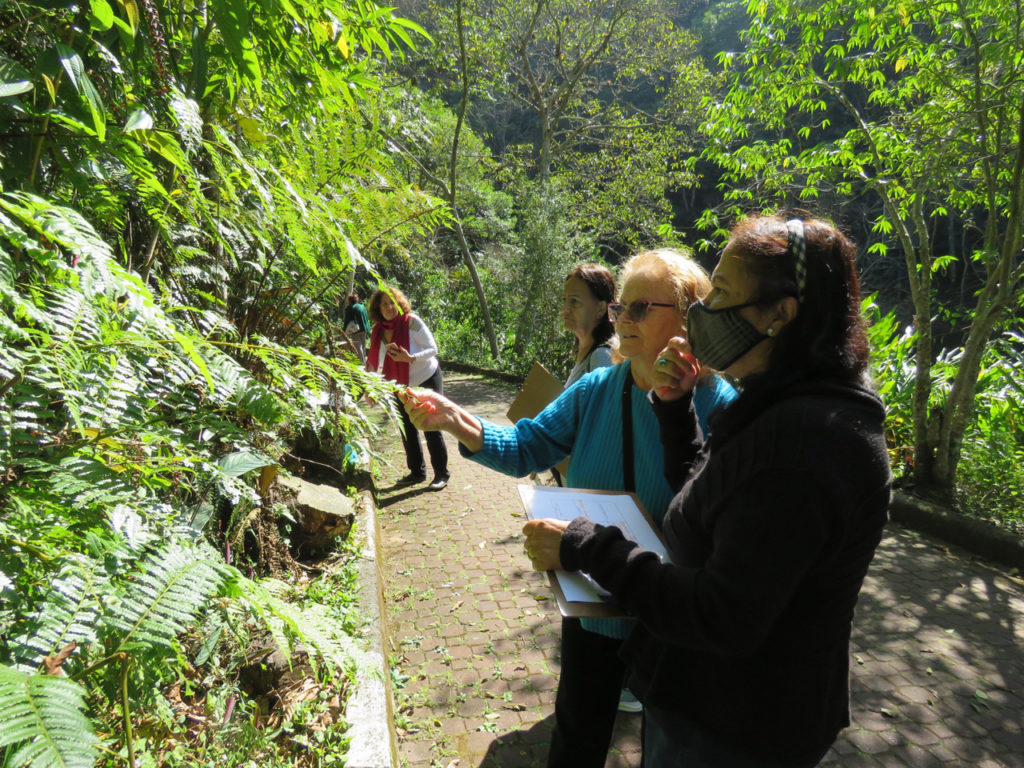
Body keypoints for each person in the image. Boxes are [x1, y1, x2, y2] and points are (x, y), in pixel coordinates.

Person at [522, 215, 892, 767]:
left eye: (721, 292)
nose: (702, 311)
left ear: (779, 315)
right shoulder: (787, 405)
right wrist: (675, 416)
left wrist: (585, 544)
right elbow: (719, 499)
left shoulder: (803, 445)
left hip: (734, 723)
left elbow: (718, 614)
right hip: (715, 704)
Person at [402, 249, 736, 768]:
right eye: (622, 307)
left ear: (689, 313)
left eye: (641, 307)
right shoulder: (597, 387)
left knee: (671, 746)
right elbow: (527, 446)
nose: (622, 318)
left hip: (671, 612)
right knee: (578, 735)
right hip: (595, 601)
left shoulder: (720, 403)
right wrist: (452, 418)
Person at [366, 286, 450, 491]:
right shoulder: (377, 331)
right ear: (378, 307)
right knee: (408, 429)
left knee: (431, 425)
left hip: (426, 378)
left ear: (399, 303)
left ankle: (441, 474)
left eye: (392, 302)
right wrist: (370, 388)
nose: (389, 307)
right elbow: (373, 362)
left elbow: (433, 349)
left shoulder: (412, 321)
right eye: (384, 303)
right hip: (400, 384)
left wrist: (410, 358)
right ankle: (417, 473)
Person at [562, 263, 616, 387]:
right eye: (564, 299)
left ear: (600, 308)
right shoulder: (586, 354)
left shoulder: (602, 356)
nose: (566, 309)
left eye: (575, 301)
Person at [343, 292, 370, 362]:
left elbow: (347, 320)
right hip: (364, 328)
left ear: (349, 300)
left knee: (358, 346)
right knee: (363, 345)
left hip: (356, 329)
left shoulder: (350, 308)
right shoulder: (362, 307)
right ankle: (365, 361)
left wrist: (344, 331)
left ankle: (362, 363)